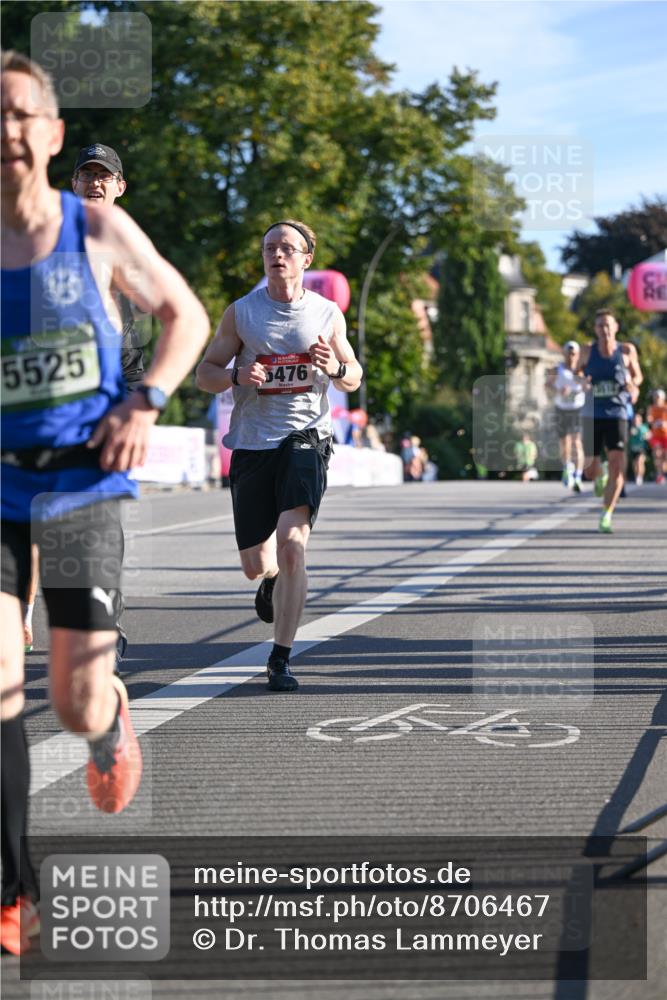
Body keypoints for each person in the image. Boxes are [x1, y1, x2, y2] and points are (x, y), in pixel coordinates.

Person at [0, 51, 209, 955]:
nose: (7, 131)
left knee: (75, 699)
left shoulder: (95, 228)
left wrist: (146, 399)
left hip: (81, 480)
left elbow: (185, 317)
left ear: (49, 133)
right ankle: (14, 892)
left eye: (21, 114)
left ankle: (106, 720)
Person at [196, 220, 362, 692]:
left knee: (292, 544)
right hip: (253, 441)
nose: (277, 255)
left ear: (306, 258)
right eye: (270, 248)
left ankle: (281, 657)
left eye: (288, 248)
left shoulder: (327, 313)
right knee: (255, 563)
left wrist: (337, 366)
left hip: (306, 437)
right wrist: (235, 375)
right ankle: (269, 578)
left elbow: (354, 376)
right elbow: (204, 374)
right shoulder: (241, 313)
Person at [72, 142, 147, 660]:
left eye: (105, 175)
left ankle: (105, 628)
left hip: (98, 415)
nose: (95, 182)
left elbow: (133, 356)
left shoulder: (130, 255)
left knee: (98, 529)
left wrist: (140, 406)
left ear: (120, 186)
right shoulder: (40, 237)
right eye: (87, 174)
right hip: (37, 411)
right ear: (73, 183)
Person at [578, 309, 642, 532]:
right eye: (600, 325)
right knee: (589, 470)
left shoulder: (626, 350)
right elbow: (576, 372)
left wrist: (633, 386)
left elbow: (638, 375)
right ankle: (600, 475)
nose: (604, 329)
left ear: (615, 327)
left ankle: (606, 514)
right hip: (592, 414)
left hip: (617, 412)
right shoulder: (587, 351)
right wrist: (582, 381)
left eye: (608, 325)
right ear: (595, 330)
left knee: (617, 466)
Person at [545, 340, 586, 492]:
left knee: (577, 442)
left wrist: (581, 385)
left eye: (573, 354)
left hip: (577, 409)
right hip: (561, 408)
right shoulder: (558, 369)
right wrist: (559, 390)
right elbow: (547, 385)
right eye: (568, 353)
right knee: (564, 442)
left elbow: (588, 386)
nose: (571, 356)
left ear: (578, 354)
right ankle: (567, 467)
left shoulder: (582, 369)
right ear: (564, 354)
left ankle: (578, 476)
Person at [647, 388, 667, 484]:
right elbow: (649, 419)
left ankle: (663, 473)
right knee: (657, 454)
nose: (656, 398)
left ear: (663, 398)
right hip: (656, 436)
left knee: (665, 456)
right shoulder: (651, 408)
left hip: (665, 435)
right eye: (655, 397)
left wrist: (665, 423)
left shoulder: (665, 408)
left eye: (658, 397)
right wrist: (652, 422)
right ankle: (659, 475)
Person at [628, 411, 650, 485]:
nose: (636, 421)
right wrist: (630, 434)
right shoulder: (631, 428)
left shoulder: (643, 427)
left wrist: (646, 436)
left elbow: (649, 434)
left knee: (640, 461)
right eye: (634, 419)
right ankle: (636, 475)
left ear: (640, 420)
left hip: (642, 448)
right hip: (633, 448)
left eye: (637, 419)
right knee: (635, 464)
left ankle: (640, 476)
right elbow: (626, 437)